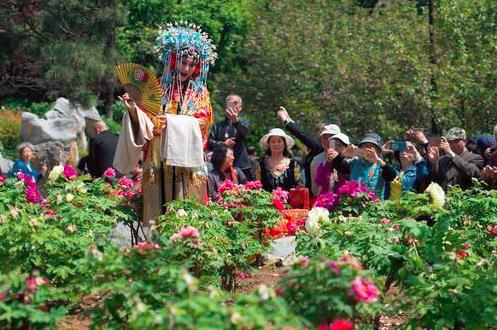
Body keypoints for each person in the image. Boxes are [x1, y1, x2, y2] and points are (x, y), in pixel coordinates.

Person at [113, 24, 216, 224]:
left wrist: (169, 122)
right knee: (157, 217)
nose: (186, 69)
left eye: (191, 64)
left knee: (188, 216)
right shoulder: (156, 88)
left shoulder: (200, 93)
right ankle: (154, 250)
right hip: (158, 158)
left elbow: (202, 124)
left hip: (187, 161)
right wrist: (134, 109)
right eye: (182, 62)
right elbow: (144, 123)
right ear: (174, 61)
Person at [277, 106, 340, 196]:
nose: (328, 140)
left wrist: (287, 121)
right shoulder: (319, 153)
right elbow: (304, 135)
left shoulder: (348, 153)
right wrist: (288, 120)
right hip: (317, 199)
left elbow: (304, 136)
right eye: (324, 137)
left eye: (332, 137)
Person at [208, 94, 254, 180]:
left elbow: (246, 132)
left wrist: (236, 121)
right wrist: (223, 144)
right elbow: (209, 144)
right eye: (230, 103)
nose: (233, 105)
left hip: (242, 166)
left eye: (235, 103)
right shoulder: (217, 126)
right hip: (221, 168)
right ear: (226, 107)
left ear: (240, 107)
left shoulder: (246, 122)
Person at [339, 133, 397, 200]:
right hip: (353, 205)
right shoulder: (353, 163)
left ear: (378, 151)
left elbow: (393, 176)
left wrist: (378, 160)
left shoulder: (381, 166)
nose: (368, 149)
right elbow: (336, 166)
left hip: (373, 208)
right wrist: (343, 154)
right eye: (366, 145)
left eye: (372, 146)